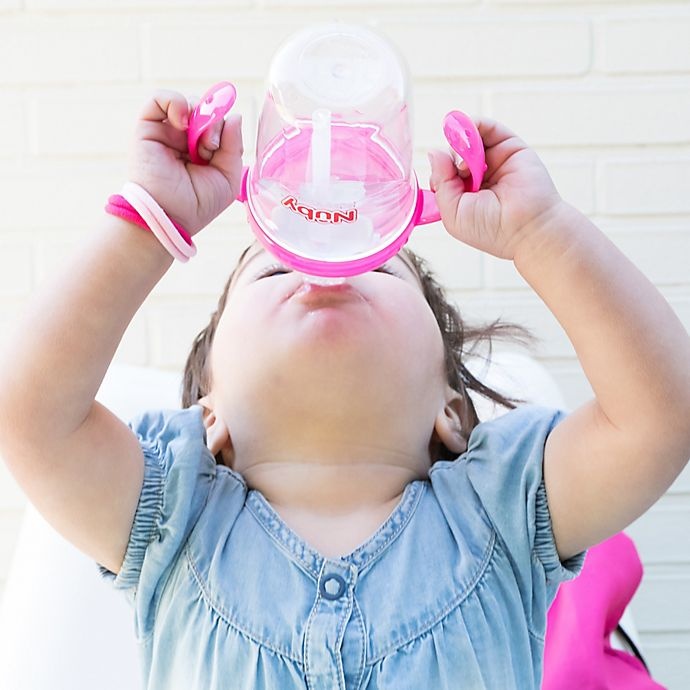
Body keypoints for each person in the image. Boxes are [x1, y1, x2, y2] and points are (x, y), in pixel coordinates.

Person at [0, 88, 688, 690]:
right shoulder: (173, 522)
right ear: (208, 418)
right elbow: (31, 415)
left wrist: (541, 232)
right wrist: (150, 221)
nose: (327, 268)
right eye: (274, 271)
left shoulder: (499, 512)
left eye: (379, 268)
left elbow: (658, 418)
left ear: (451, 412)